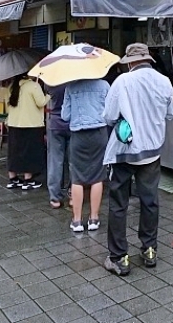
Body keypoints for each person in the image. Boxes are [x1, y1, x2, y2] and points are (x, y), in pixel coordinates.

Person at [102, 43, 173, 277]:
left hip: (124, 152)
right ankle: (149, 249)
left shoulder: (122, 82)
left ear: (130, 62)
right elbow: (170, 113)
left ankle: (119, 257)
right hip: (152, 152)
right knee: (150, 201)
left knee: (118, 204)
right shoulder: (164, 81)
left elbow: (109, 116)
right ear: (148, 60)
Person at [61, 76, 110, 232]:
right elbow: (110, 111)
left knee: (77, 177)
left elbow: (65, 116)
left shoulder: (70, 87)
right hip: (99, 134)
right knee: (97, 176)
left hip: (78, 135)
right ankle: (93, 219)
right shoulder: (104, 85)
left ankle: (76, 221)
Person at [2, 74, 48, 190]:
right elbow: (41, 102)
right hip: (31, 124)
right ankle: (28, 180)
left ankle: (13, 179)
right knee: (30, 152)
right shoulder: (34, 86)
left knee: (14, 152)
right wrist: (48, 96)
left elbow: (8, 106)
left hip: (13, 123)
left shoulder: (11, 86)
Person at [45, 84, 71, 209]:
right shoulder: (75, 81)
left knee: (55, 161)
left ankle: (55, 197)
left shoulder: (51, 81)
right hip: (72, 123)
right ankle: (73, 194)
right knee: (74, 162)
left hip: (55, 122)